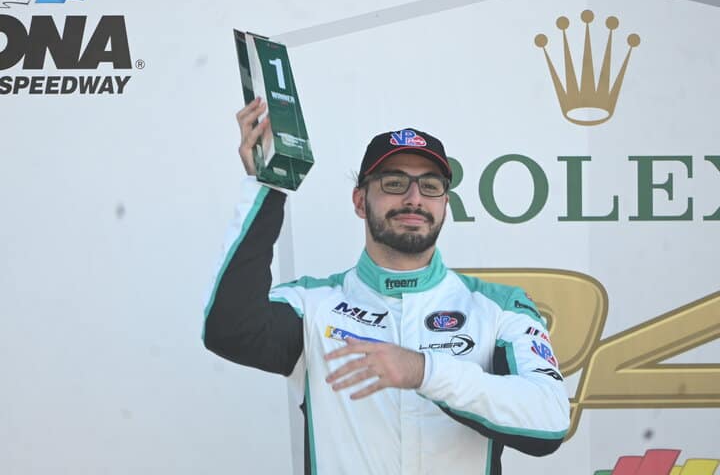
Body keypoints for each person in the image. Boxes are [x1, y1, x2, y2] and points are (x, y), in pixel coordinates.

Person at [203, 97, 570, 474]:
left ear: (445, 203)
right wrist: (268, 184)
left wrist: (423, 371)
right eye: (394, 183)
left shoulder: (500, 307)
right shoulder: (311, 305)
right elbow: (229, 329)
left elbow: (550, 420)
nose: (414, 199)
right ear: (360, 201)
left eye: (430, 186)